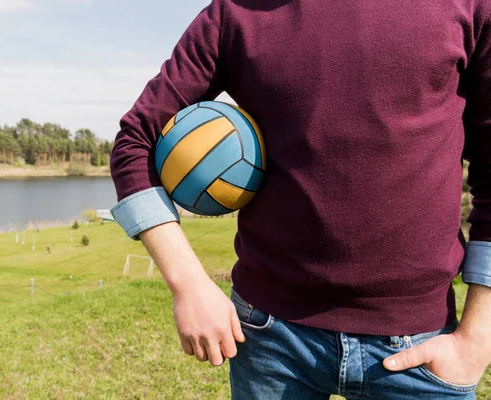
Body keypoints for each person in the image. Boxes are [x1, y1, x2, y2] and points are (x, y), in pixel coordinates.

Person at [109, 0, 491, 398]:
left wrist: (478, 337)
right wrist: (187, 283)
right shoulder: (235, 12)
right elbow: (136, 140)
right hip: (271, 339)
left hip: (421, 347)